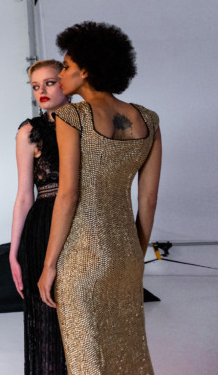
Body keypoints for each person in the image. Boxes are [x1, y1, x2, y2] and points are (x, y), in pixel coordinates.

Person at [38, 22, 162, 374]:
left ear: (87, 70)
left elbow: (68, 195)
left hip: (83, 257)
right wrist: (135, 254)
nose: (60, 75)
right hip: (126, 252)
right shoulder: (149, 120)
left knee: (87, 360)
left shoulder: (72, 116)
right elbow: (149, 200)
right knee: (128, 354)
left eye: (65, 67)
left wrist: (49, 266)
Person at [9, 60, 69, 375]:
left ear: (67, 83)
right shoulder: (29, 132)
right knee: (47, 316)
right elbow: (23, 196)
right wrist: (13, 251)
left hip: (81, 223)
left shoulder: (89, 122)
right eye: (35, 86)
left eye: (49, 82)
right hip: (42, 228)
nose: (41, 91)